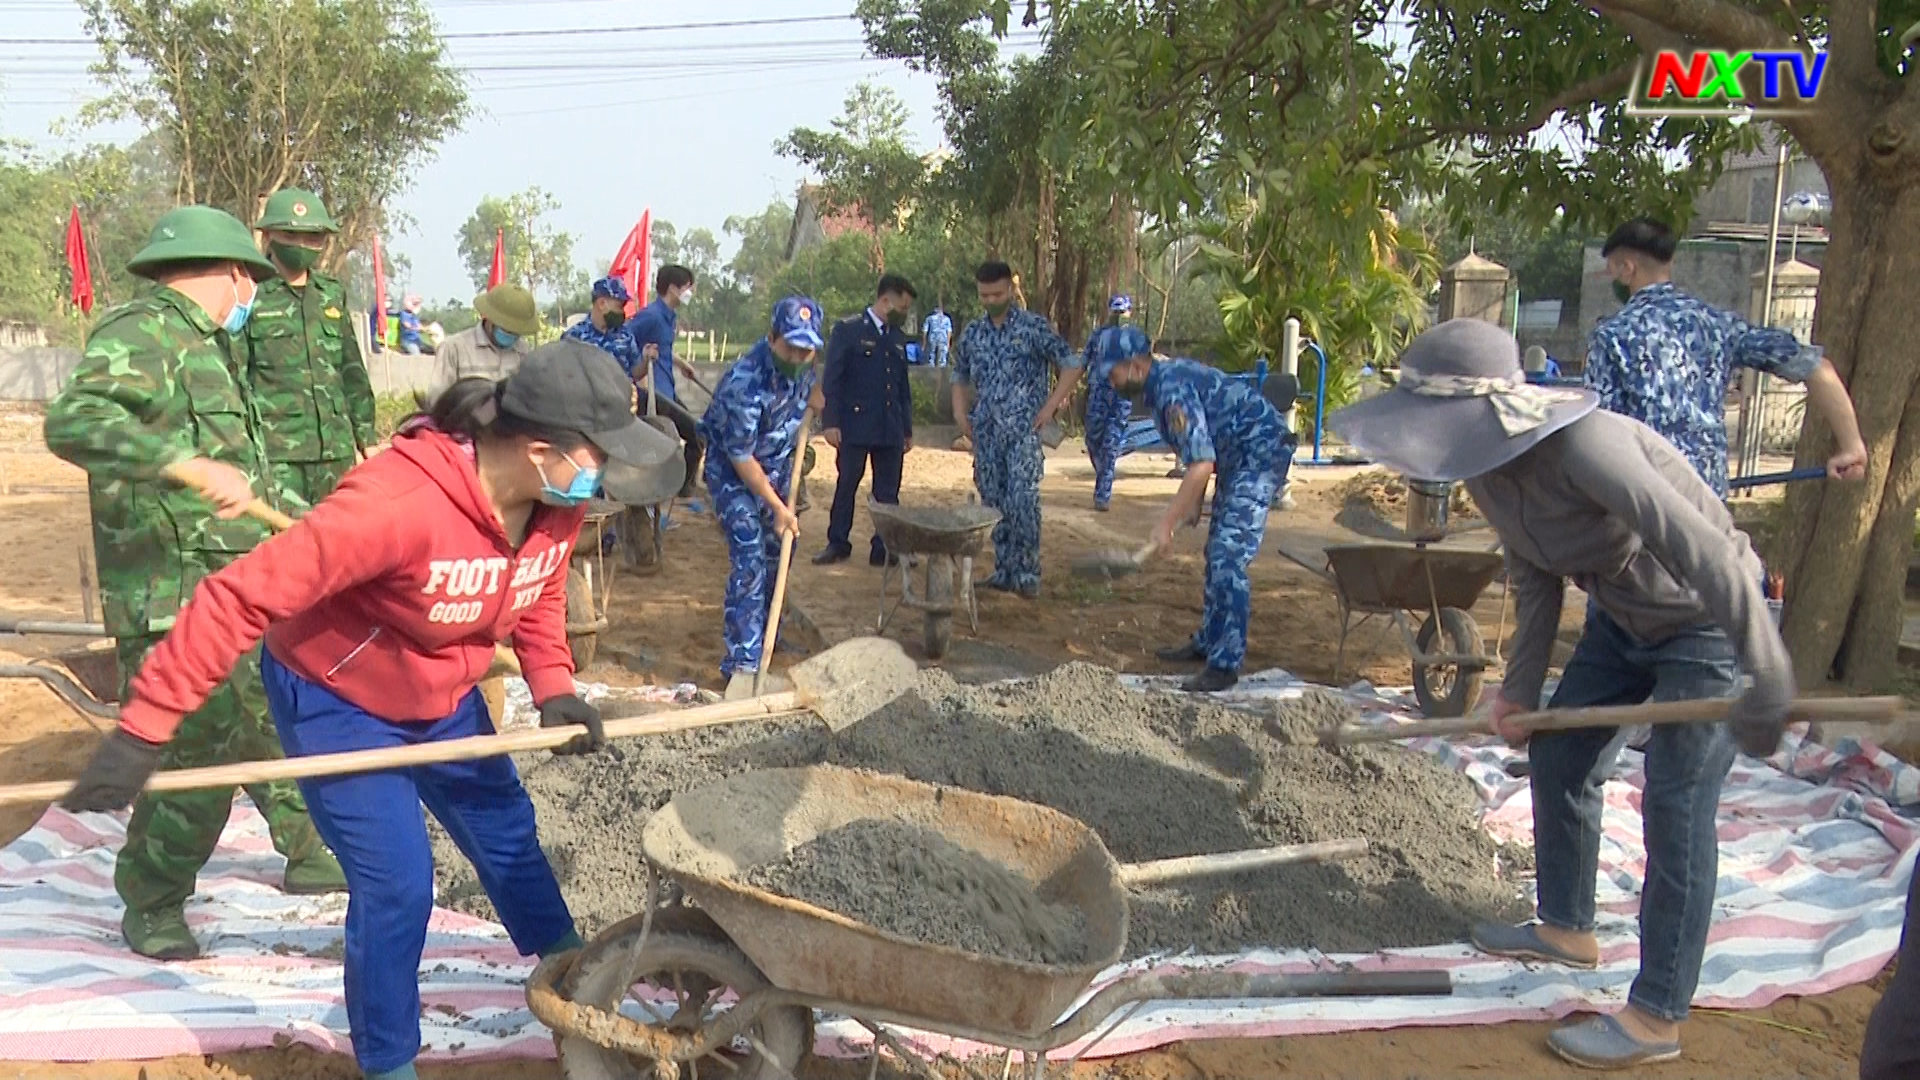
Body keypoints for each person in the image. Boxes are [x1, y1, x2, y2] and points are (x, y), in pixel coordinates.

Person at [58, 339, 662, 1080]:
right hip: (338, 699)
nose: (607, 472)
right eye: (600, 454)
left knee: (507, 835)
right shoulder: (395, 506)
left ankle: (571, 970)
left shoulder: (555, 505)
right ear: (541, 450)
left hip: (441, 689)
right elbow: (236, 597)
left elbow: (535, 590)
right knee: (399, 886)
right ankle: (388, 1064)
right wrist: (144, 729)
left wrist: (553, 682)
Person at [1329, 318, 1796, 1071]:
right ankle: (1567, 925)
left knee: (1677, 806)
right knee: (1561, 754)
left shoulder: (1589, 446)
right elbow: (1534, 572)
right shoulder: (1485, 469)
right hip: (1622, 621)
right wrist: (1517, 694)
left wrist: (1765, 667)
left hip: (1707, 623)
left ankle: (1656, 1015)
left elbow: (1706, 550)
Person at [44, 205, 344, 961]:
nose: (252, 294)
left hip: (235, 586)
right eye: (249, 278)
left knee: (272, 715)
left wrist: (324, 536)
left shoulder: (207, 345)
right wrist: (179, 463)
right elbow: (73, 421)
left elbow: (251, 473)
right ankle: (151, 899)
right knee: (200, 754)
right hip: (170, 591)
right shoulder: (143, 330)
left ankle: (309, 848)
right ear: (234, 272)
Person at [1587, 217, 1867, 494]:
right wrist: (1852, 447)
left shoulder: (1612, 335)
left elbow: (1599, 428)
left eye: (1611, 269)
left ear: (1627, 268)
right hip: (1708, 496)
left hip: (1645, 496)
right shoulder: (1718, 324)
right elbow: (1817, 367)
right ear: (1669, 262)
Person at [1094, 328, 1295, 692]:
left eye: (1114, 373)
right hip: (1236, 455)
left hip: (1260, 451)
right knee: (1216, 549)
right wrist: (1195, 504)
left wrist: (1165, 525)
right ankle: (1209, 641)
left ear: (1137, 366)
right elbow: (1202, 450)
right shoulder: (1158, 389)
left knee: (1228, 555)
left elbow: (1201, 462)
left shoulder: (1170, 391)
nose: (1111, 381)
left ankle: (1225, 664)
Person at [699, 297, 823, 682]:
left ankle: (770, 636)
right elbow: (741, 458)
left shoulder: (804, 366)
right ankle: (742, 661)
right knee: (750, 556)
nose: (799, 356)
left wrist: (816, 400)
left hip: (778, 468)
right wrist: (777, 506)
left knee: (780, 552)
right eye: (791, 347)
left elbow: (809, 397)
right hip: (734, 475)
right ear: (772, 338)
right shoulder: (744, 382)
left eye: (807, 349)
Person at [242, 188, 378, 510]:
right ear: (268, 235)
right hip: (279, 457)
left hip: (336, 452)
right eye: (290, 234)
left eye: (313, 236)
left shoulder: (330, 294)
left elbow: (351, 371)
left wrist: (366, 439)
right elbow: (236, 378)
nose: (302, 245)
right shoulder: (249, 294)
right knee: (288, 548)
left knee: (343, 546)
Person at [950, 261, 1080, 598]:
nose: (990, 300)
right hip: (986, 435)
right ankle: (1004, 569)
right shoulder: (974, 334)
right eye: (984, 294)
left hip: (1023, 432)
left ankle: (1027, 573)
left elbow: (1071, 363)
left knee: (1022, 500)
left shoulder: (1033, 328)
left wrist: (1051, 406)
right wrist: (960, 412)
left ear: (1010, 289)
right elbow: (959, 374)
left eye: (997, 293)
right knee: (993, 502)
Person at [815, 274, 917, 567]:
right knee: (847, 483)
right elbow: (832, 378)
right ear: (886, 300)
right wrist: (830, 422)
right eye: (903, 306)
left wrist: (906, 428)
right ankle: (837, 542)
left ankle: (883, 547)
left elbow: (902, 387)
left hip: (890, 427)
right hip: (854, 425)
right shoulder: (848, 331)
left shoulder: (897, 338)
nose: (904, 313)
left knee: (887, 491)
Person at [629, 265, 707, 498]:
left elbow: (661, 347)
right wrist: (637, 373)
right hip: (653, 395)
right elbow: (626, 340)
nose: (689, 293)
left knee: (697, 435)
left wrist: (681, 364)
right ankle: (667, 494)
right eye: (686, 288)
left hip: (667, 391)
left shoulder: (669, 317)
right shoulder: (650, 316)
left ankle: (682, 490)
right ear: (672, 289)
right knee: (665, 447)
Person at [427, 283, 538, 400]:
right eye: (506, 329)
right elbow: (436, 399)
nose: (510, 335)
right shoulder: (454, 348)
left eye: (515, 331)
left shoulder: (524, 352)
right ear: (490, 318)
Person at [1084, 295, 1136, 512]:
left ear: (1130, 313)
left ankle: (1102, 495)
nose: (1119, 317)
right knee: (1093, 441)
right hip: (1098, 396)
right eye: (1116, 312)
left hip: (1120, 398)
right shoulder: (1097, 337)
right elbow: (1082, 362)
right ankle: (1103, 473)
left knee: (1110, 445)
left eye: (1123, 312)